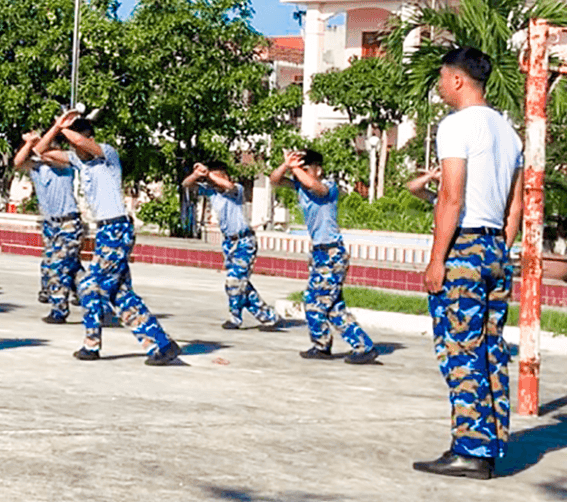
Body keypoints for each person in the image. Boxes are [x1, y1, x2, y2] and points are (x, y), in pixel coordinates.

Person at [406, 46, 523, 480]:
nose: (439, 85)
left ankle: (469, 449)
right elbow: (516, 207)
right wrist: (501, 249)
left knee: (460, 349)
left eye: (441, 77)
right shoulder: (510, 133)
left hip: (465, 248)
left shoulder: (456, 126)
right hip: (494, 248)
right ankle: (490, 444)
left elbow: (451, 196)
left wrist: (438, 259)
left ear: (457, 80)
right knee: (491, 347)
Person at [36, 110, 182, 365]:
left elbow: (81, 143)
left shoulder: (107, 155)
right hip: (106, 231)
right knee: (120, 294)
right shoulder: (79, 162)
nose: (75, 149)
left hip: (117, 229)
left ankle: (91, 345)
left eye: (76, 142)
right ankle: (161, 344)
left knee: (89, 285)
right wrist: (56, 126)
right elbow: (40, 150)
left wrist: (65, 131)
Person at [270, 150, 378, 365]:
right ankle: (354, 346)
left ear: (317, 170)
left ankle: (331, 345)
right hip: (319, 253)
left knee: (314, 302)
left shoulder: (329, 186)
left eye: (304, 168)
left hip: (331, 253)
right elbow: (274, 180)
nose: (298, 174)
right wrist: (286, 165)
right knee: (333, 307)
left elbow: (314, 186)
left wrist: (295, 168)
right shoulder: (300, 184)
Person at [185, 160, 279, 331]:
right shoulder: (212, 192)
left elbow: (227, 185)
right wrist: (197, 174)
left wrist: (210, 175)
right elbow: (187, 185)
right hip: (229, 243)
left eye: (215, 176)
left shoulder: (236, 190)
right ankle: (268, 316)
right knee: (240, 283)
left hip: (244, 242)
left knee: (233, 281)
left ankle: (235, 318)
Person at [15, 129, 83, 323]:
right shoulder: (36, 168)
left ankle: (59, 310)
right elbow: (18, 162)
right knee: (67, 266)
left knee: (58, 266)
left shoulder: (64, 164)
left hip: (68, 222)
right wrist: (28, 144)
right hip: (51, 224)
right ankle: (90, 296)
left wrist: (38, 144)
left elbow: (45, 155)